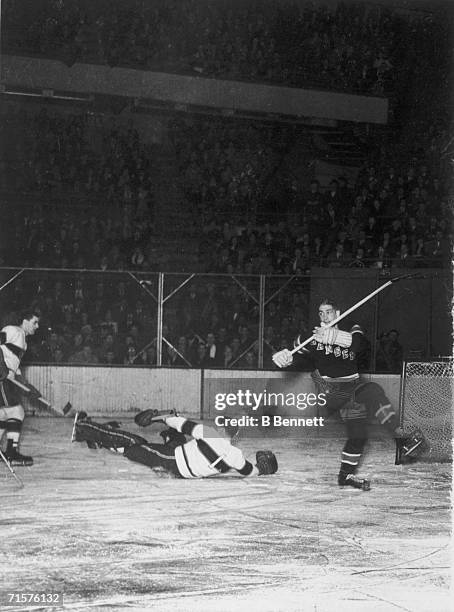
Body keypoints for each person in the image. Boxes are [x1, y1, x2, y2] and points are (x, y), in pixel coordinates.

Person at [272, 298, 425, 490]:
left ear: (337, 313)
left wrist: (335, 337)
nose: (324, 316)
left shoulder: (352, 327)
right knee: (372, 391)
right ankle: (402, 440)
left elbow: (358, 345)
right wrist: (285, 357)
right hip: (332, 392)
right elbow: (295, 355)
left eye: (328, 312)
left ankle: (345, 476)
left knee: (358, 435)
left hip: (351, 391)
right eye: (321, 312)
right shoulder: (311, 337)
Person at [72, 409, 278, 479]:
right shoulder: (235, 456)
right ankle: (98, 441)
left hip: (172, 461)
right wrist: (263, 468)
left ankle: (83, 429)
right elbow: (250, 471)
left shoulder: (211, 434)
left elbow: (182, 424)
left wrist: (157, 417)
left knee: (133, 444)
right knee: (175, 437)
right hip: (182, 466)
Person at [0, 310, 41, 465]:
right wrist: (3, 371)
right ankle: (11, 453)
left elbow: (15, 368)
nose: (37, 326)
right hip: (1, 378)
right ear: (25, 321)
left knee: (4, 414)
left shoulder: (23, 340)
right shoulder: (13, 330)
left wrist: (28, 388)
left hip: (5, 378)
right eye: (34, 322)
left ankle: (7, 453)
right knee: (16, 412)